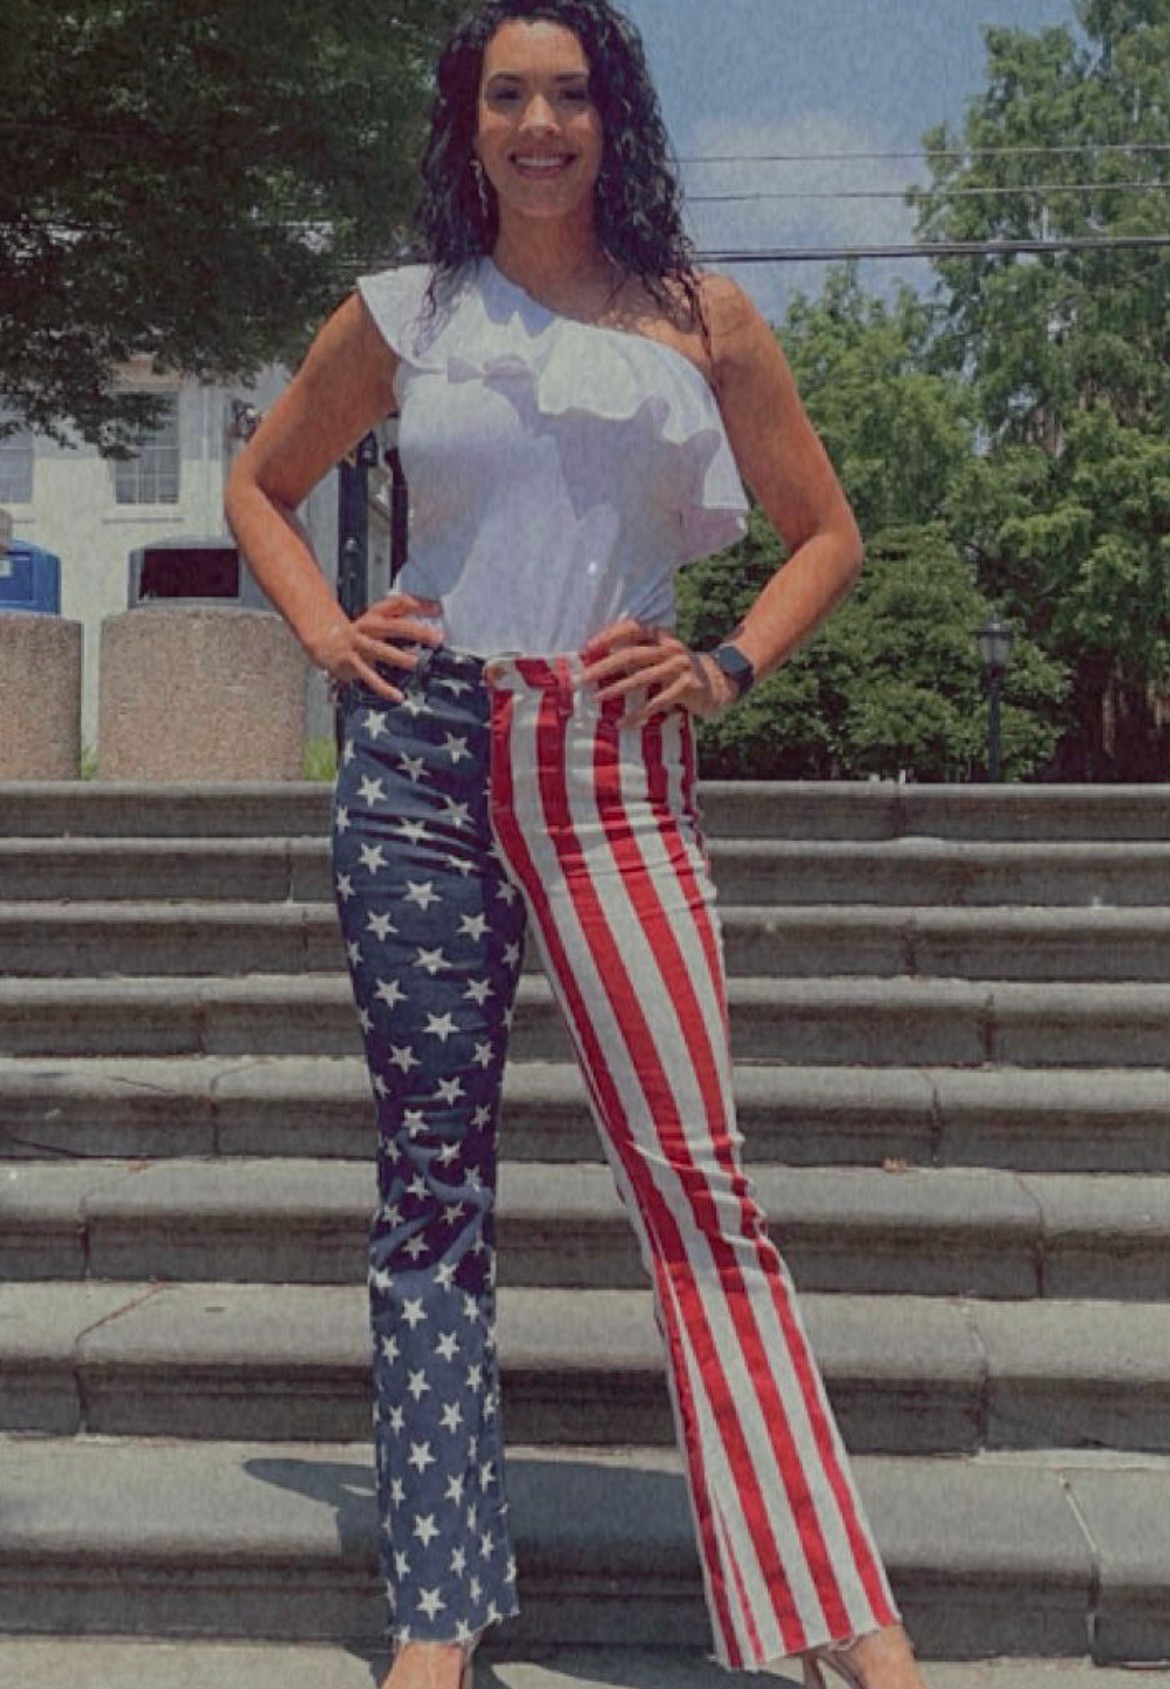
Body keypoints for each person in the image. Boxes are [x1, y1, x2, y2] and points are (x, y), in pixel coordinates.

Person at [225, 3, 930, 1686]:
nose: (539, 124)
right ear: (464, 127)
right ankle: (439, 1610)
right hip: (420, 759)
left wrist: (724, 661)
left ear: (615, 121)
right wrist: (333, 639)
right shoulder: (406, 317)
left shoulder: (705, 323)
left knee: (698, 1182)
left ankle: (838, 1608)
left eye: (569, 95)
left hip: (610, 758)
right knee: (431, 1189)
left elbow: (824, 532)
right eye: (505, 97)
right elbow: (257, 483)